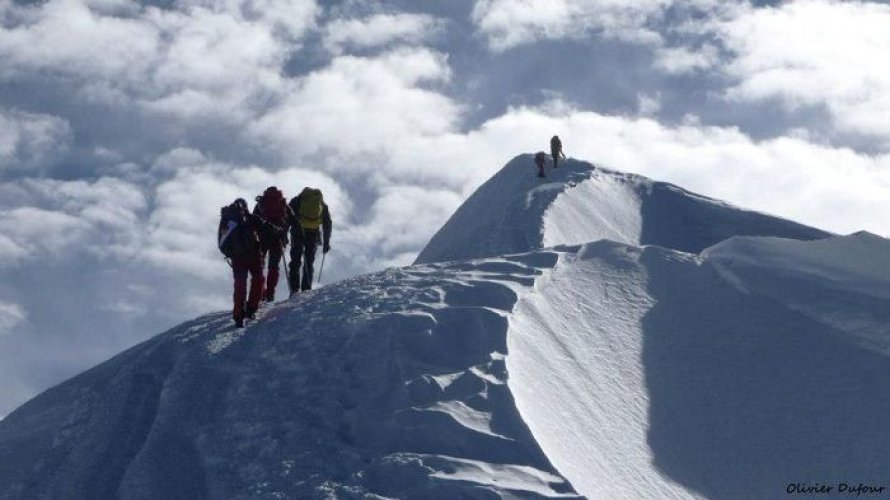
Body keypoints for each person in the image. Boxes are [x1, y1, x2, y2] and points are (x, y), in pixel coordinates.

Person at [218, 198, 280, 327]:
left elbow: (222, 242)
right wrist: (278, 230)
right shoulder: (249, 217)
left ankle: (238, 316)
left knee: (240, 284)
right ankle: (251, 309)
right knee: (258, 279)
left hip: (237, 258)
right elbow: (265, 227)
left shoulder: (227, 220)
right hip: (253, 255)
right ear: (245, 207)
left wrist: (231, 254)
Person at [288, 187, 332, 294]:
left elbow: (287, 217)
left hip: (297, 232)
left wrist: (283, 234)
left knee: (295, 261)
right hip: (313, 234)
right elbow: (327, 223)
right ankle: (306, 289)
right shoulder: (321, 203)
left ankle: (294, 289)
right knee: (309, 261)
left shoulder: (296, 200)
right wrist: (326, 242)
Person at [253, 186, 291, 302]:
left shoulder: (261, 202)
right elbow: (289, 220)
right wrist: (285, 235)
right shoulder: (282, 202)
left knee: (260, 266)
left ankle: (260, 292)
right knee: (273, 267)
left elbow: (254, 220)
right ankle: (270, 293)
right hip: (278, 238)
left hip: (262, 238)